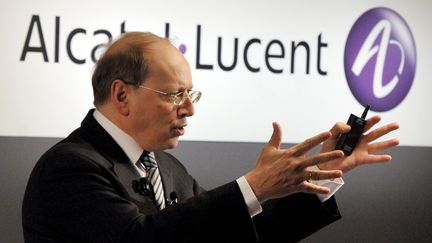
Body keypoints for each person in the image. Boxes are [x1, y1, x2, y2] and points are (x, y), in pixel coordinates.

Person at [22, 32, 399, 243]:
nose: (189, 109)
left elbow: (232, 239)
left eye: (191, 94)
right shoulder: (69, 167)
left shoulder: (167, 168)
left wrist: (319, 175)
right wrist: (254, 186)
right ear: (122, 95)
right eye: (175, 95)